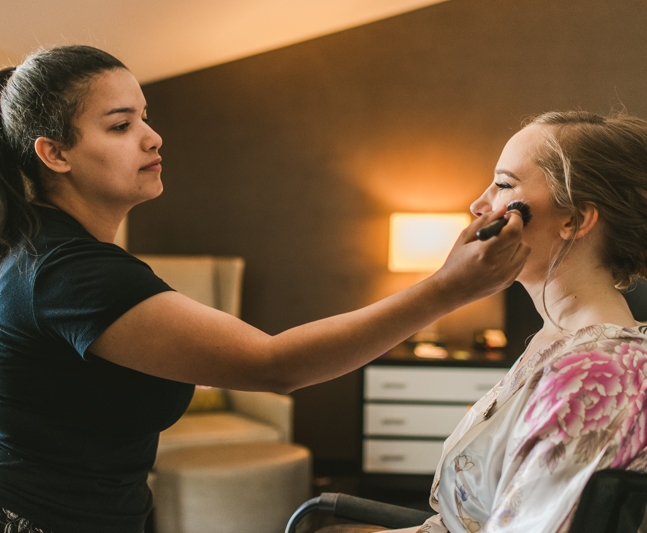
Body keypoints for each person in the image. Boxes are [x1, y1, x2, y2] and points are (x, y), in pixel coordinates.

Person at [0, 45, 529, 533]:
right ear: (55, 154)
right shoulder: (68, 272)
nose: (152, 136)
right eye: (120, 125)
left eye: (145, 115)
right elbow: (273, 365)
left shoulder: (49, 251)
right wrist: (447, 288)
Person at [324, 110, 647, 533]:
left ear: (574, 219)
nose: (478, 205)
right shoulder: (556, 339)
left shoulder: (591, 375)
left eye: (503, 185)